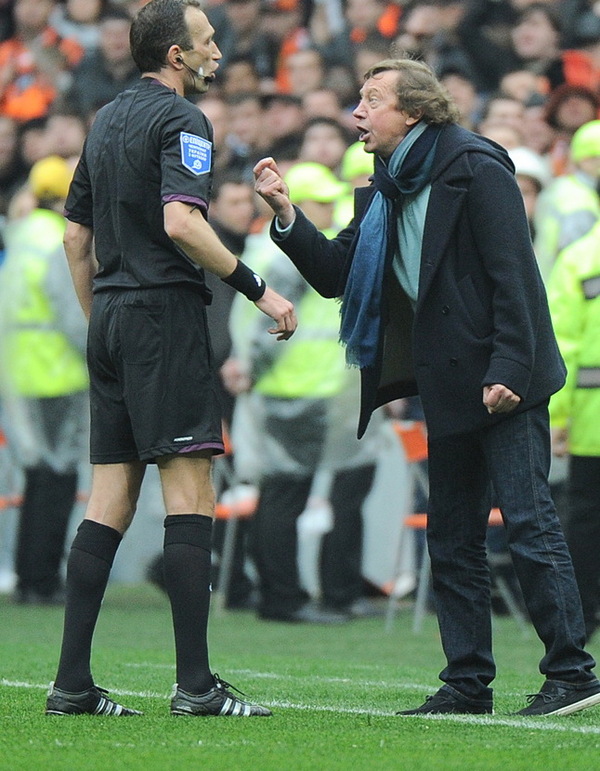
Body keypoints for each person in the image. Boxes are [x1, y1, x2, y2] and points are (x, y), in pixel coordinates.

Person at [254, 57, 600, 717]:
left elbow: (514, 276)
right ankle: (467, 684)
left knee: (529, 523)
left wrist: (508, 368)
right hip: (447, 384)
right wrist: (286, 213)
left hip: (504, 378)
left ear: (414, 111)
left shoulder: (475, 166)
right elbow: (335, 274)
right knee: (452, 537)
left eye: (372, 99)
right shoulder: (387, 185)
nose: (356, 112)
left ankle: (573, 674)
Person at [45, 0, 296, 719]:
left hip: (112, 316)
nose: (218, 51)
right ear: (176, 55)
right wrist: (257, 288)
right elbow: (181, 221)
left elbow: (75, 238)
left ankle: (71, 686)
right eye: (207, 41)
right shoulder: (184, 119)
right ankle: (196, 686)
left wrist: (103, 321)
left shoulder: (104, 120)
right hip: (163, 316)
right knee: (189, 493)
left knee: (109, 500)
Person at [224, 161, 380, 624]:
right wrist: (252, 369)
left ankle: (283, 594)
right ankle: (282, 598)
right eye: (323, 202)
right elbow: (265, 324)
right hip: (298, 390)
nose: (332, 209)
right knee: (284, 497)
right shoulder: (294, 255)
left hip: (299, 389)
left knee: (282, 495)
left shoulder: (272, 250)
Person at [0, 154, 88, 605]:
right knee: (57, 479)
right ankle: (43, 579)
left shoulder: (22, 236)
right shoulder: (57, 241)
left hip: (21, 370)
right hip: (57, 373)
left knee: (37, 478)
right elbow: (72, 316)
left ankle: (29, 577)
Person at [547, 222, 600, 642]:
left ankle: (581, 619)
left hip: (590, 418)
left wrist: (557, 417)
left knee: (584, 518)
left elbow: (562, 342)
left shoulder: (579, 259)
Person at [534, 119, 600, 282]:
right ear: (586, 160)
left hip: (549, 282)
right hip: (567, 288)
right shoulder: (579, 202)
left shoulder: (563, 186)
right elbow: (582, 264)